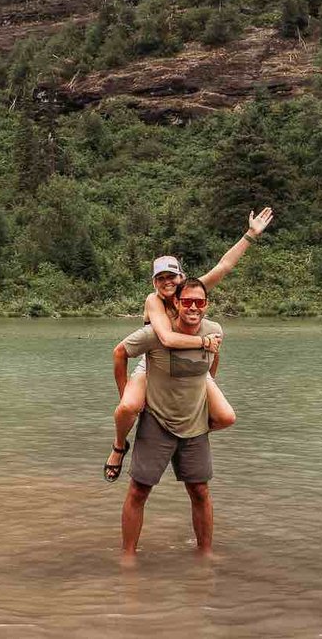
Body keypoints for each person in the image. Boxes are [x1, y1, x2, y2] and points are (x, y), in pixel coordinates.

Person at [103, 206, 273, 482]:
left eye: (172, 276)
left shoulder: (192, 292)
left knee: (226, 417)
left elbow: (224, 266)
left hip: (193, 365)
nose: (167, 282)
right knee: (126, 408)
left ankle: (187, 432)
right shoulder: (153, 301)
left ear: (182, 277)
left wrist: (250, 235)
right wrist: (204, 341)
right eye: (161, 278)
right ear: (155, 283)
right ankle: (120, 445)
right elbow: (167, 339)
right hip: (154, 363)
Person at [113, 276, 222, 562]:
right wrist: (125, 394)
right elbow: (120, 352)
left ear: (207, 305)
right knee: (139, 489)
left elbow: (214, 359)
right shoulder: (156, 334)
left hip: (195, 424)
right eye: (187, 302)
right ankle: (128, 556)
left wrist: (208, 396)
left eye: (199, 302)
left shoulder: (214, 331)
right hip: (157, 422)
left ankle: (205, 553)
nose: (194, 307)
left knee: (200, 490)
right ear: (176, 302)